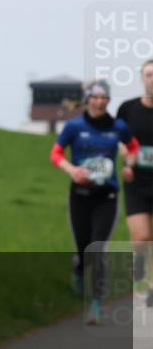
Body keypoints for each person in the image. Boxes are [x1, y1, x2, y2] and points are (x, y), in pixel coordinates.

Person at [50, 80, 140, 324]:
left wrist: (129, 165)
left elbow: (133, 147)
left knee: (97, 249)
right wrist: (71, 170)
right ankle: (78, 269)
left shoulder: (118, 126)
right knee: (83, 249)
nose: (101, 102)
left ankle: (96, 304)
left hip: (107, 196)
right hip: (79, 195)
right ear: (88, 99)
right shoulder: (74, 126)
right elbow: (55, 153)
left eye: (105, 98)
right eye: (97, 97)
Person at [117, 59, 153, 307]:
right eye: (149, 75)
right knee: (141, 237)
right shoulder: (127, 109)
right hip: (137, 182)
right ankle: (139, 259)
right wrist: (126, 157)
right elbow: (118, 140)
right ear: (142, 78)